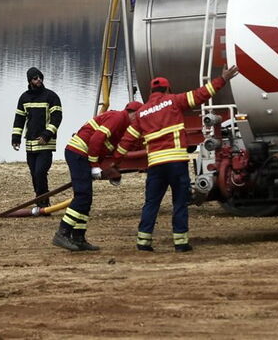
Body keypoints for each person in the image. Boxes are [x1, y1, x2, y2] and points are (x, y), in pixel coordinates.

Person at [113, 66, 239, 252]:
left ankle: (143, 242)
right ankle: (180, 243)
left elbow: (127, 140)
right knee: (179, 202)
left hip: (155, 165)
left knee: (151, 203)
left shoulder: (141, 113)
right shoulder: (174, 101)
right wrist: (222, 79)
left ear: (150, 92)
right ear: (168, 89)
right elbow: (201, 94)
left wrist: (115, 162)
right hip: (176, 163)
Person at [51, 101, 142, 252]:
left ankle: (78, 237)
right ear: (132, 113)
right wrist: (94, 166)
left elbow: (108, 148)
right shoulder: (119, 117)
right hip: (78, 153)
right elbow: (96, 139)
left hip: (82, 156)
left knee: (86, 199)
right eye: (138, 118)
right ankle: (62, 233)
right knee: (82, 197)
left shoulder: (124, 125)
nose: (138, 122)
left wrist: (110, 171)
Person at [11, 67, 62, 210]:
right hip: (30, 145)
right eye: (35, 78)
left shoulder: (51, 96)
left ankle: (43, 202)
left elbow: (57, 118)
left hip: (45, 144)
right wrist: (16, 138)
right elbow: (19, 119)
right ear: (30, 81)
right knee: (34, 174)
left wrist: (47, 134)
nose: (38, 80)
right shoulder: (24, 98)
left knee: (40, 172)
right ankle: (40, 201)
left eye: (40, 77)